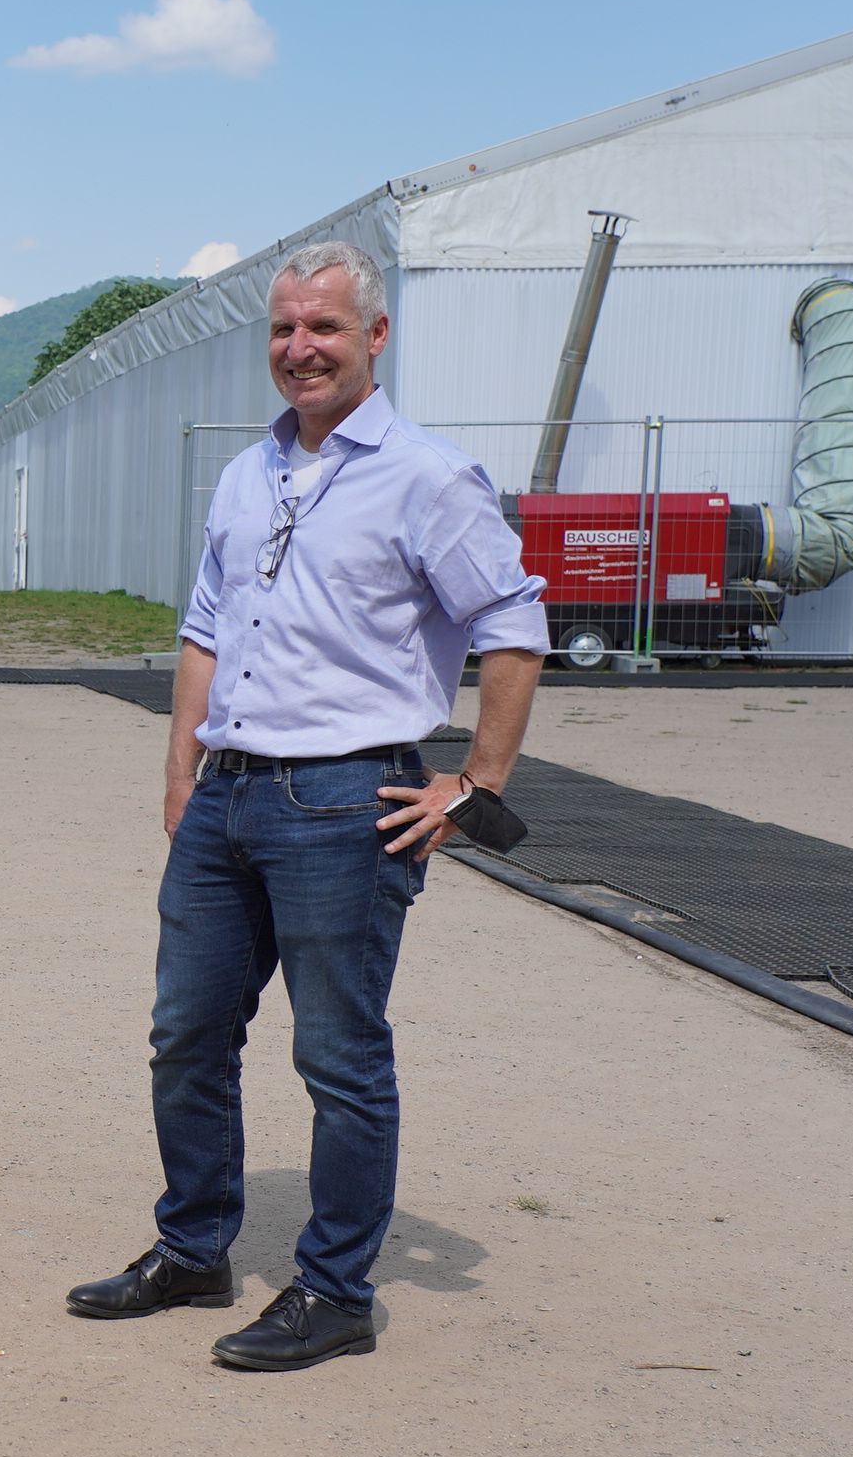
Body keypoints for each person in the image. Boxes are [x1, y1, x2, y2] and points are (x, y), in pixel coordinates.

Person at [64, 241, 547, 1370]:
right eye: (283, 329)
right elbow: (200, 626)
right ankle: (192, 1248)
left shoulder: (427, 475)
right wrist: (180, 772)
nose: (298, 349)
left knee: (336, 1053)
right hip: (224, 795)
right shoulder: (245, 474)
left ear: (373, 338)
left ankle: (333, 1292)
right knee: (183, 1032)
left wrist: (474, 787)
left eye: (322, 328)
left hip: (342, 799)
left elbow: (512, 625)